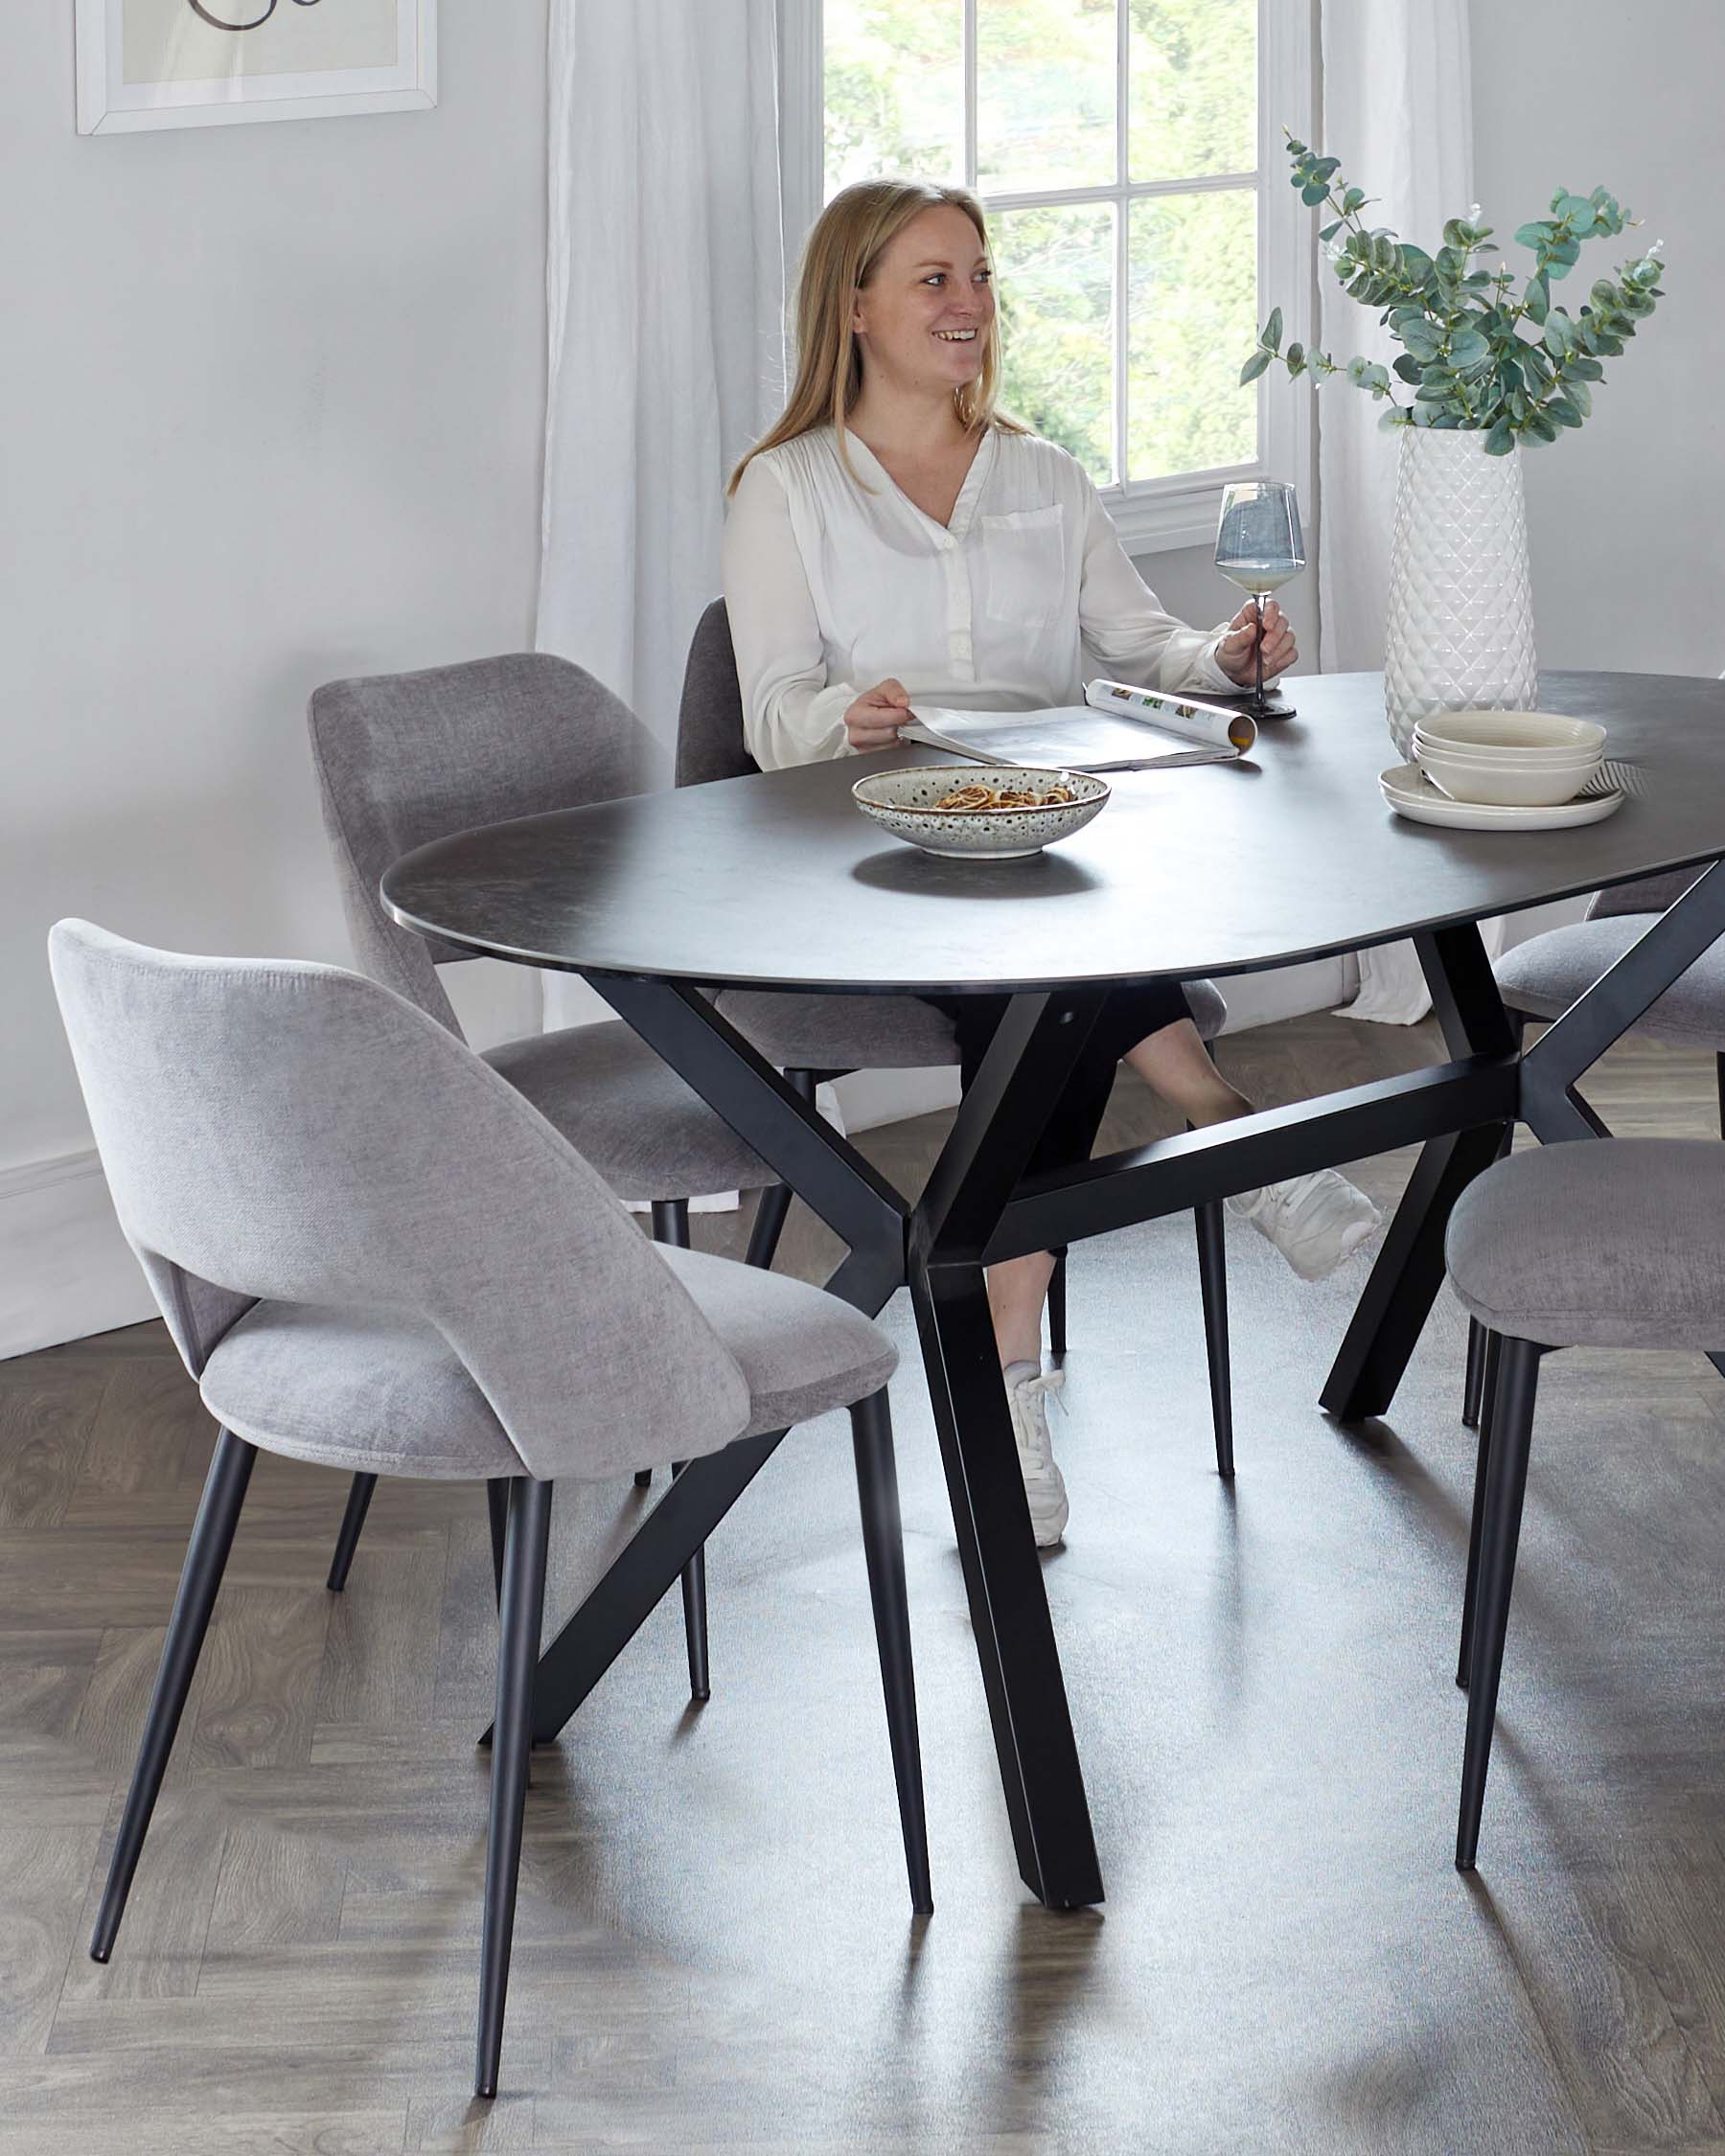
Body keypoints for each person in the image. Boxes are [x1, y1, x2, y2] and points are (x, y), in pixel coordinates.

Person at [722, 178, 1380, 1547]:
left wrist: (1230, 657)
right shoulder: (784, 490)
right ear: (853, 306)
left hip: (1047, 839)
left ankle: (1009, 1403)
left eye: (979, 279)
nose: (971, 305)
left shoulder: (1043, 475)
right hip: (868, 854)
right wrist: (845, 719)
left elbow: (1149, 651)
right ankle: (1222, 1127)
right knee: (1055, 980)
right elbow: (768, 711)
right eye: (934, 281)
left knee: (1044, 1000)